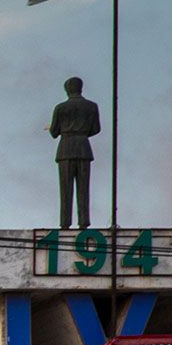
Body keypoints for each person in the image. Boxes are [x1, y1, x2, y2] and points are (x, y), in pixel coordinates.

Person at [50, 76, 102, 230]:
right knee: (83, 188)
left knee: (65, 189)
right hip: (83, 147)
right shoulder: (92, 106)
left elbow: (54, 132)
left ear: (67, 90)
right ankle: (83, 221)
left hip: (65, 148)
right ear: (81, 88)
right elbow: (96, 129)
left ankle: (65, 223)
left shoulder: (60, 108)